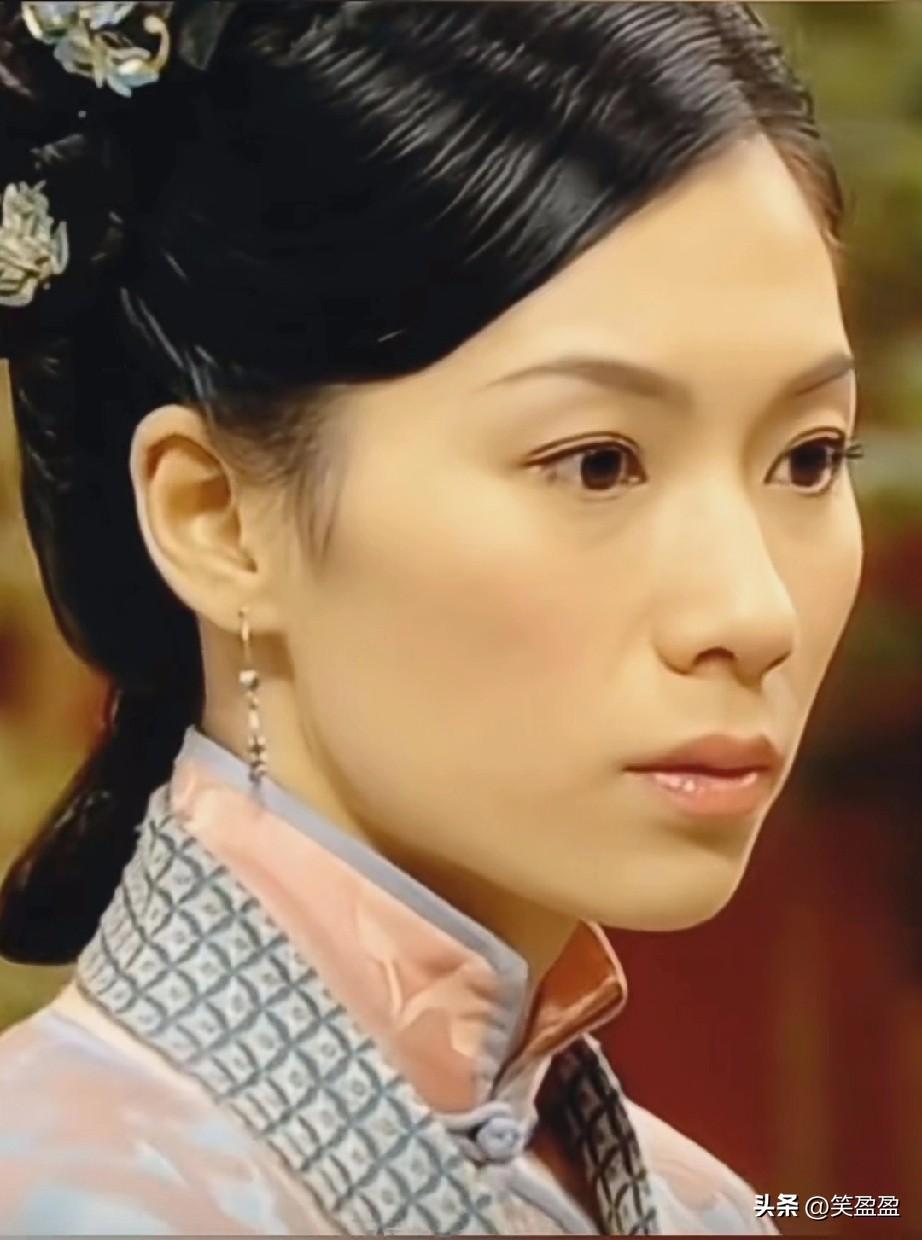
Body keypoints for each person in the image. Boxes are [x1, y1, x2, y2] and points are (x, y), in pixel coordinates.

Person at [0, 0, 863, 1234]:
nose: (753, 610)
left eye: (810, 456)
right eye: (598, 463)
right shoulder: (61, 1197)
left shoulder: (703, 1209)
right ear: (217, 517)